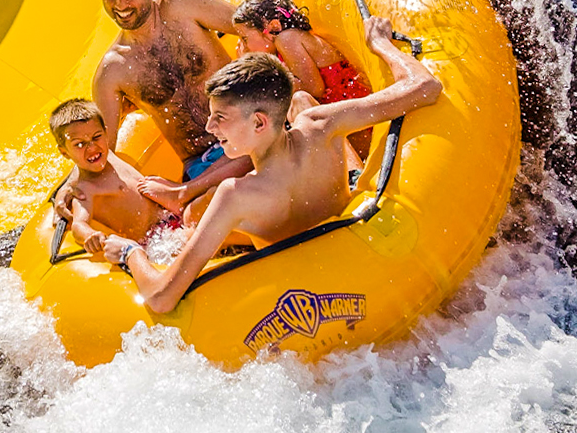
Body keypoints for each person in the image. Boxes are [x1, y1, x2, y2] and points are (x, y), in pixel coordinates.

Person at [101, 16, 442, 315]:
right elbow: (425, 87)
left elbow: (161, 297)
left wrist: (131, 253)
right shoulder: (320, 125)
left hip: (295, 279)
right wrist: (382, 44)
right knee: (302, 101)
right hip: (349, 240)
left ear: (260, 123)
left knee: (191, 219)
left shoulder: (235, 195)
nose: (209, 128)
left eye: (220, 118)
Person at [89, 0, 253, 205]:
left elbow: (253, 26)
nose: (120, 4)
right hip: (202, 164)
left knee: (268, 134)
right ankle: (191, 193)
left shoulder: (183, 7)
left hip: (248, 128)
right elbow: (100, 151)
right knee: (206, 208)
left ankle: (185, 193)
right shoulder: (112, 71)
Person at [232, 0, 374, 155]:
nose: (242, 45)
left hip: (361, 125)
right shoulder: (281, 51)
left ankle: (351, 173)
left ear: (273, 28)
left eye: (245, 38)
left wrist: (260, 70)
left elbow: (313, 88)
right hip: (346, 121)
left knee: (296, 102)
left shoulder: (287, 39)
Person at [49, 98, 177, 261]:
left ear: (105, 132)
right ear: (65, 153)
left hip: (169, 219)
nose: (92, 148)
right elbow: (78, 224)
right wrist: (90, 235)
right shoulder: (85, 189)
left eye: (96, 137)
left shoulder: (109, 153)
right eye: (80, 144)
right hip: (154, 242)